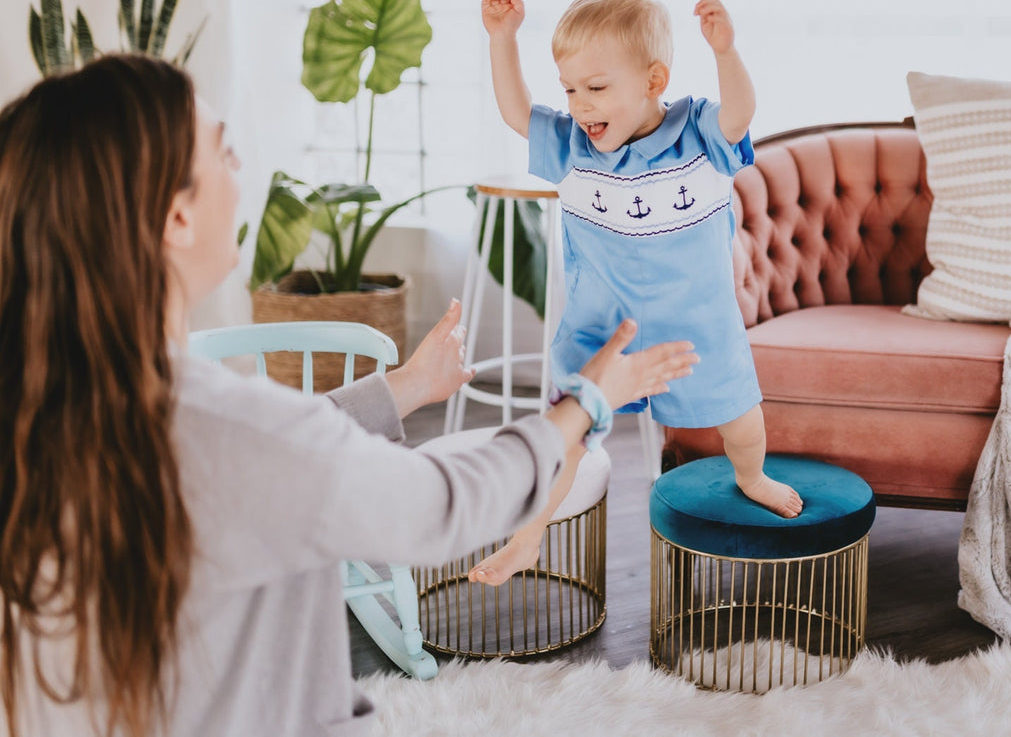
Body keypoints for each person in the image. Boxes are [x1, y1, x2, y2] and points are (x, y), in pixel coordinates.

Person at [0, 54, 698, 737]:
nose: (240, 173)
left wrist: (405, 389)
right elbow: (440, 508)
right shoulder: (223, 427)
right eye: (225, 153)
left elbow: (263, 455)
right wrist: (584, 404)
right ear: (174, 220)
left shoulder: (51, 408)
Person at [470, 0, 803, 587]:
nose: (579, 105)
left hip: (696, 325)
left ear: (654, 81)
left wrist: (726, 53)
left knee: (742, 421)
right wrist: (502, 40)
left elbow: (740, 115)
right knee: (566, 431)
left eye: (596, 88)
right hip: (603, 329)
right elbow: (517, 111)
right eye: (569, 88)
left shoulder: (700, 135)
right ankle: (528, 535)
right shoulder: (572, 148)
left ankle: (752, 477)